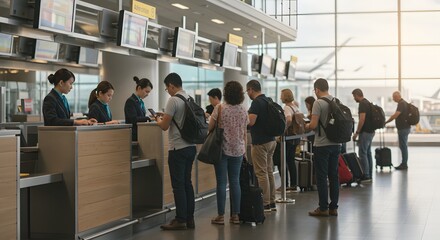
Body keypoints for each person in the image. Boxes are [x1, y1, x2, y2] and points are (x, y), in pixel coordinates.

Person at [155, 73, 196, 230]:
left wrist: (158, 119)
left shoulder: (173, 100)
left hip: (177, 148)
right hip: (190, 147)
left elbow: (165, 126)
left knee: (178, 185)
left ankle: (180, 219)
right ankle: (189, 218)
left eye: (167, 88)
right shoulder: (189, 98)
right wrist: (165, 116)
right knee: (187, 183)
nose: (168, 91)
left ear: (172, 85)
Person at [210, 81, 248, 225]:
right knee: (235, 182)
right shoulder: (243, 110)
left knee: (221, 182)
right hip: (238, 149)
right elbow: (244, 130)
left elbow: (210, 128)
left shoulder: (220, 108)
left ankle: (220, 216)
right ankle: (235, 215)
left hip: (221, 150)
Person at [305, 78, 340, 217]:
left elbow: (313, 125)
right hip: (336, 144)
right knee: (334, 176)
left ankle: (323, 208)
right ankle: (334, 208)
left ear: (317, 89)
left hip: (322, 145)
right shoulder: (336, 101)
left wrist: (306, 126)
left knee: (321, 177)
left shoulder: (318, 103)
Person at [246, 79, 277, 212]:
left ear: (251, 90)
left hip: (260, 142)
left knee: (261, 173)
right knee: (269, 171)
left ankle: (265, 203)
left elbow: (251, 122)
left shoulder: (256, 103)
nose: (247, 93)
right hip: (271, 141)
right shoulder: (268, 100)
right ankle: (272, 201)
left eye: (247, 90)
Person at [277, 88, 300, 192]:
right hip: (296, 137)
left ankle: (285, 185)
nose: (280, 97)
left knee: (283, 161)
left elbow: (289, 119)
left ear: (285, 97)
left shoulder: (287, 107)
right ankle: (294, 184)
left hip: (288, 137)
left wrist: (283, 129)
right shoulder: (295, 107)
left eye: (281, 95)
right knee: (291, 160)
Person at [352, 88, 375, 181]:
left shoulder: (362, 104)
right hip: (371, 131)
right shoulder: (368, 102)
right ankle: (369, 174)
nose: (354, 99)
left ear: (357, 95)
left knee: (362, 153)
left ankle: (366, 175)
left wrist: (356, 133)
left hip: (365, 132)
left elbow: (362, 120)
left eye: (354, 96)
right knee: (368, 153)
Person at [385, 91, 410, 170]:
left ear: (397, 96)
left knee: (403, 146)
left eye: (393, 97)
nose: (393, 99)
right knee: (403, 146)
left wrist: (386, 122)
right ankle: (404, 163)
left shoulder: (401, 104)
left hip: (403, 128)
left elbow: (396, 115)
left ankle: (404, 164)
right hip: (405, 127)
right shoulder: (404, 103)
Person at [124, 76, 153, 141]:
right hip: (133, 135)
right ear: (139, 88)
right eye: (146, 91)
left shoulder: (140, 101)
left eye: (149, 92)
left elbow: (140, 116)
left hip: (140, 133)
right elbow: (133, 119)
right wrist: (148, 118)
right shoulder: (131, 101)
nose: (147, 94)